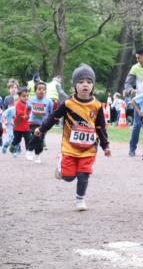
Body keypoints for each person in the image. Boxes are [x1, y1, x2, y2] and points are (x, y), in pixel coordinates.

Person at [35, 64, 111, 211]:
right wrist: (42, 129)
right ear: (74, 86)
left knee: (84, 173)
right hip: (70, 147)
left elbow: (100, 127)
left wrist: (105, 145)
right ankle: (61, 165)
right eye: (81, 82)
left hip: (89, 147)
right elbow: (53, 117)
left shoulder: (96, 105)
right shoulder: (68, 104)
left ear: (93, 86)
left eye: (89, 82)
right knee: (69, 177)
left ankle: (80, 199)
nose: (85, 85)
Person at [26, 81, 54, 163]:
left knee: (40, 140)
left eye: (43, 89)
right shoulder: (31, 100)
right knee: (36, 134)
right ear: (35, 91)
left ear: (46, 91)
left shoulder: (49, 102)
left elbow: (51, 113)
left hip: (43, 124)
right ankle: (30, 149)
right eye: (39, 89)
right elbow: (27, 110)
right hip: (33, 122)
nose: (41, 90)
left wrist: (50, 122)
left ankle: (37, 155)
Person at [10, 86, 32, 158]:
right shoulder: (18, 104)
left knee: (28, 139)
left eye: (27, 96)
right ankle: (12, 145)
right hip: (18, 126)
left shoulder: (28, 104)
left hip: (25, 126)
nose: (26, 97)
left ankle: (28, 153)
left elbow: (28, 115)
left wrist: (28, 114)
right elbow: (19, 113)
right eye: (24, 96)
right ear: (19, 96)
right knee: (17, 139)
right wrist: (26, 112)